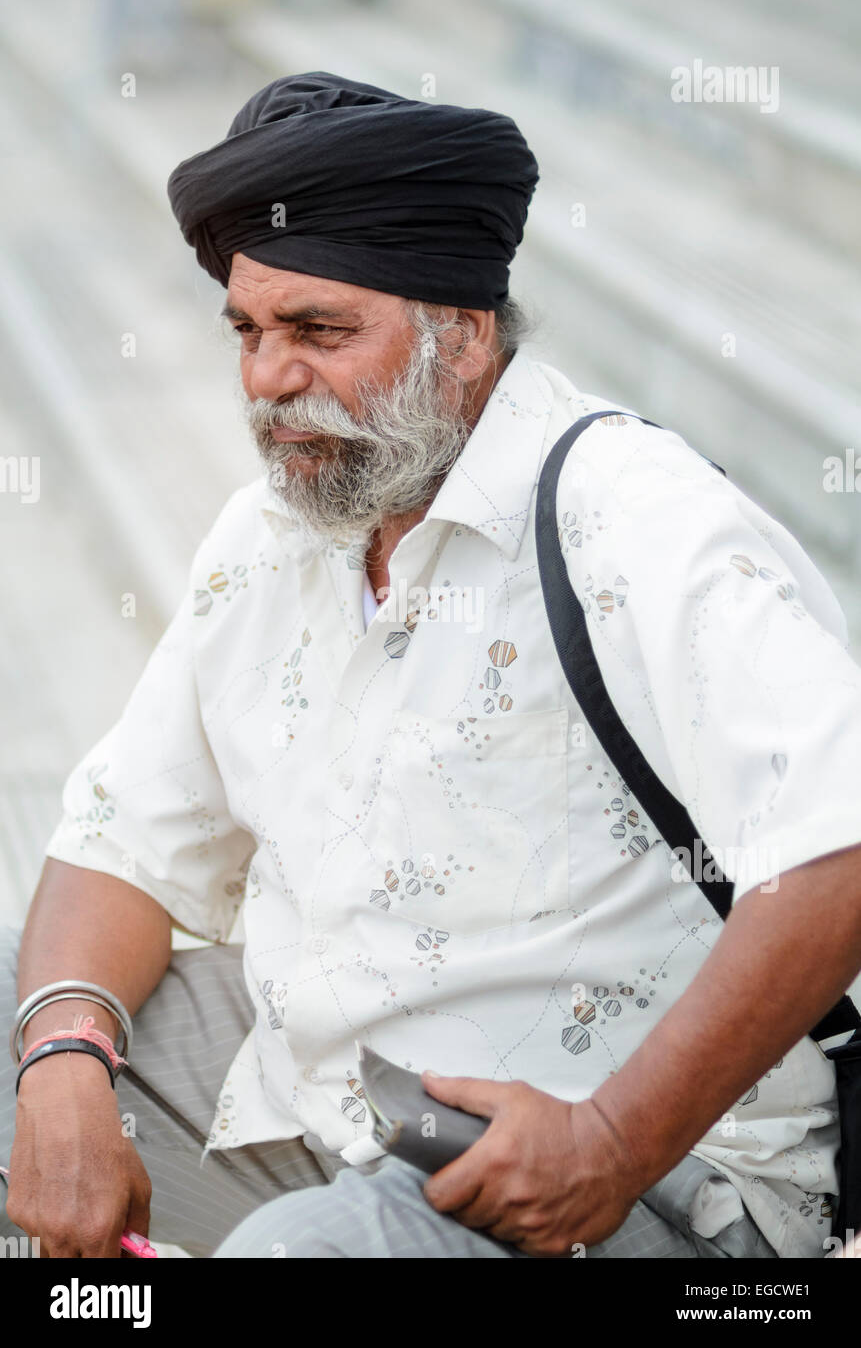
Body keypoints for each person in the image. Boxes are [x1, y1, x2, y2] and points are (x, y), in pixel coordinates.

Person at [2, 72, 861, 1260]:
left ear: (462, 335)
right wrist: (61, 1071)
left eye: (318, 331)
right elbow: (120, 844)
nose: (263, 378)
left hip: (640, 1182)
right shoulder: (278, 531)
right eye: (248, 331)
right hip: (340, 1100)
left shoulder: (633, 519)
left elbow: (838, 843)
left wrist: (610, 1138)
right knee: (33, 1016)